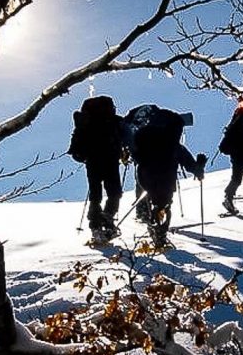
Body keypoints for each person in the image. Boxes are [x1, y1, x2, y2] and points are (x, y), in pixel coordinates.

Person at [123, 104, 206, 246]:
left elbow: (137, 157)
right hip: (167, 177)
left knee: (154, 199)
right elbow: (185, 159)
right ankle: (158, 232)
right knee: (163, 204)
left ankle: (149, 220)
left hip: (146, 175)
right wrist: (198, 169)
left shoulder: (144, 138)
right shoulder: (172, 143)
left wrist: (127, 154)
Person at [68, 95, 125, 242]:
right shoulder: (114, 121)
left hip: (92, 160)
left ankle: (95, 225)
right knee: (115, 192)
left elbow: (77, 149)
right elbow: (125, 135)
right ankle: (107, 217)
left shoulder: (86, 122)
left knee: (95, 194)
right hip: (110, 159)